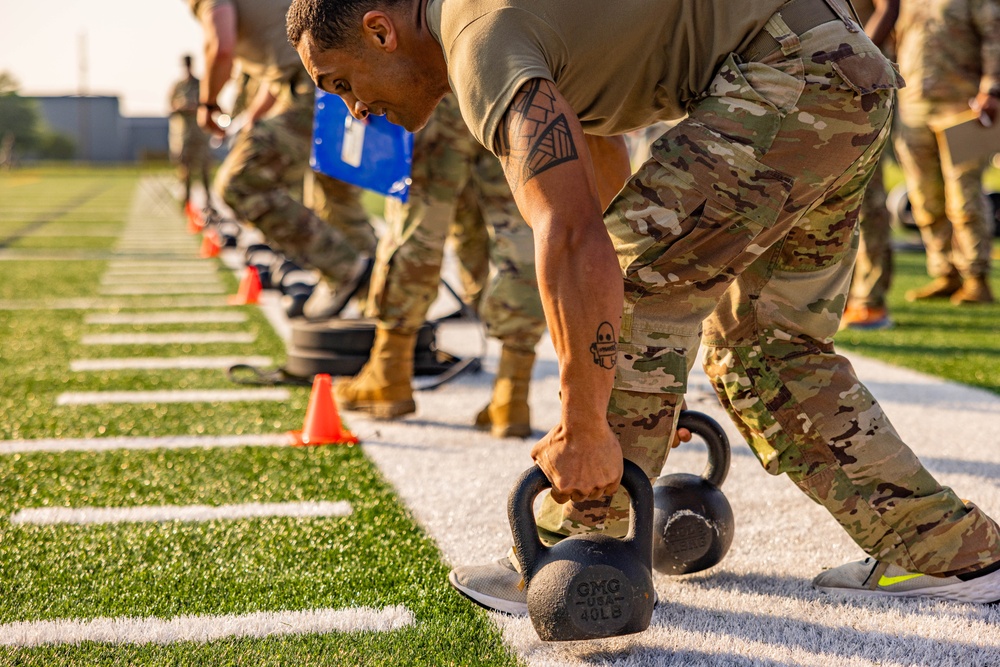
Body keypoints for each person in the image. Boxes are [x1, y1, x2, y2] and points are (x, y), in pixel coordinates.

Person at [287, 0, 1000, 615]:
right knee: (765, 349)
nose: (353, 108)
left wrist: (589, 422)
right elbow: (605, 188)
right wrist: (639, 393)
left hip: (792, 70)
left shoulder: (474, 38)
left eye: (341, 82)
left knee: (627, 282)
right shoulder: (508, 27)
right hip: (842, 66)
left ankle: (580, 538)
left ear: (381, 31)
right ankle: (942, 548)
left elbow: (575, 239)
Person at [335, 93, 547, 438]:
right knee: (520, 230)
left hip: (441, 88)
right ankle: (512, 395)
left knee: (417, 224)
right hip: (513, 87)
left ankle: (389, 374)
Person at [188, 0, 376, 315]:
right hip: (329, 78)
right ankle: (385, 311)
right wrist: (254, 115)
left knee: (240, 183)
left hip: (315, 85)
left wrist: (207, 104)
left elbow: (220, 47)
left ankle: (344, 268)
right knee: (336, 198)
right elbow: (284, 60)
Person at [893, 0, 999, 305]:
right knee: (925, 198)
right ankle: (946, 272)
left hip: (963, 105)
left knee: (964, 197)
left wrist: (992, 88)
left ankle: (977, 278)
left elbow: (995, 35)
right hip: (913, 106)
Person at [840, 0, 900, 329]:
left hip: (863, 84)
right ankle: (839, 297)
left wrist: (859, 62)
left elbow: (888, 8)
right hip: (821, 81)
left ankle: (871, 300)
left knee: (866, 196)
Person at [167, 54, 214, 210]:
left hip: (200, 134)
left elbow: (209, 104)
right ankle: (186, 203)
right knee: (184, 171)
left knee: (204, 170)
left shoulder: (201, 84)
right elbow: (170, 107)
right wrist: (181, 107)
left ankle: (208, 202)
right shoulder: (178, 86)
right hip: (183, 135)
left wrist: (194, 108)